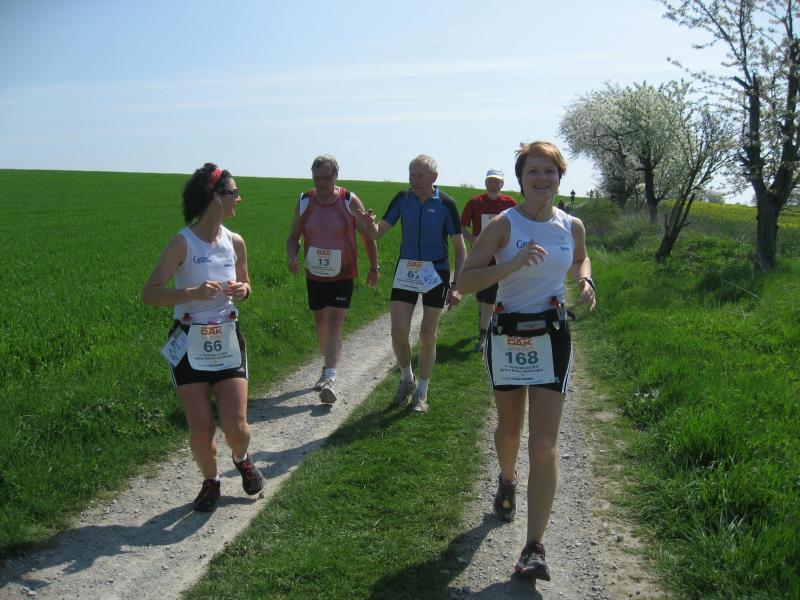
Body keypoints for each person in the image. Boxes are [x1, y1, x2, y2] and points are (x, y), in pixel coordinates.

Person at [458, 142, 596, 581]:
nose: (542, 178)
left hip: (552, 335)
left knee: (543, 444)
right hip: (508, 333)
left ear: (560, 178)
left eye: (550, 171)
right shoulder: (504, 224)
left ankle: (534, 546)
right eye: (533, 171)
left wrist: (585, 280)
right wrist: (512, 264)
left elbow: (580, 258)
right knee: (510, 430)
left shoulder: (571, 225)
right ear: (520, 179)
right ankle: (507, 478)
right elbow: (465, 280)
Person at [142, 163, 264, 512]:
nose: (239, 198)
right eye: (234, 193)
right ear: (215, 197)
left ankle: (241, 458)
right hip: (187, 340)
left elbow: (246, 283)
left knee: (235, 424)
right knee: (201, 426)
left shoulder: (235, 242)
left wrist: (243, 290)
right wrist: (191, 293)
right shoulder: (182, 243)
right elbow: (150, 293)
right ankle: (211, 482)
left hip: (226, 337)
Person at [355, 155, 466, 413]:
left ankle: (422, 392)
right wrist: (367, 225)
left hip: (435, 272)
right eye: (411, 175)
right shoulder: (403, 198)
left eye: (419, 175)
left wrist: (457, 286)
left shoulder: (446, 203)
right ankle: (407, 379)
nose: (413, 180)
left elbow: (460, 249)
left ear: (433, 177)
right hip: (407, 270)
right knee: (398, 331)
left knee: (427, 333)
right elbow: (377, 233)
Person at [286, 154, 380, 404]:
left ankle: (330, 377)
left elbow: (367, 236)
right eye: (317, 178)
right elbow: (293, 237)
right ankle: (326, 365)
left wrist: (374, 267)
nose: (321, 183)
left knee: (335, 322)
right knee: (321, 322)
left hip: (343, 272)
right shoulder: (305, 201)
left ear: (336, 176)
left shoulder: (349, 201)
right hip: (315, 273)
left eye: (326, 178)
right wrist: (292, 256)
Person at [460, 169, 517, 353]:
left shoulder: (510, 203)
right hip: (480, 257)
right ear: (485, 183)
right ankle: (484, 319)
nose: (493, 184)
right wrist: (471, 238)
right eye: (490, 181)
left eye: (497, 181)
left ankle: (483, 336)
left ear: (502, 184)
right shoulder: (475, 202)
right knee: (481, 296)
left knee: (490, 296)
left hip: (500, 257)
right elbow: (461, 225)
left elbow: (518, 224)